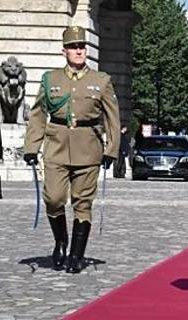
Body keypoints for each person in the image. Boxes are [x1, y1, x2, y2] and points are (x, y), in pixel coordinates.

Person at [22, 25, 121, 274]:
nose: (79, 51)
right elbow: (37, 114)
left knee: (82, 202)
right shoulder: (50, 79)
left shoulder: (101, 81)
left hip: (88, 149)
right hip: (56, 147)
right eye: (74, 47)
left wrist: (111, 149)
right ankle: (61, 240)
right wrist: (32, 146)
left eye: (82, 46)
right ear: (64, 51)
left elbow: (112, 118)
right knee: (54, 199)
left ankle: (76, 255)